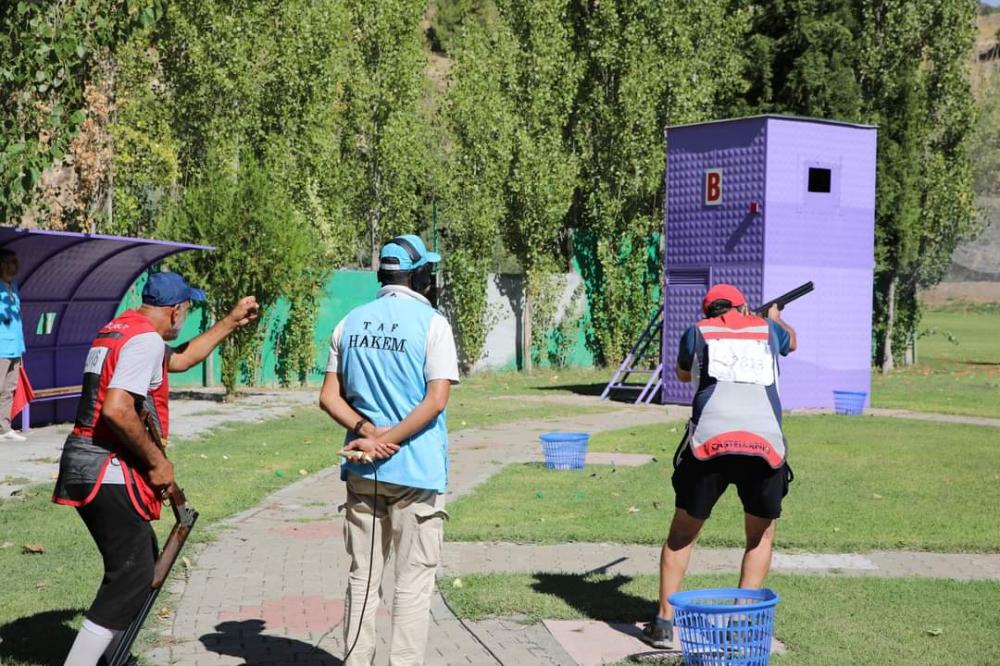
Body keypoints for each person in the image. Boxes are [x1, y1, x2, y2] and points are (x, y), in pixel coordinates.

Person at [53, 271, 259, 666]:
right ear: (175, 310)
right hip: (104, 467)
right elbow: (116, 409)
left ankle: (116, 657)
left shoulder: (121, 329)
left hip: (84, 460)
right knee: (131, 574)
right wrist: (157, 461)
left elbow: (180, 359)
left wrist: (230, 321)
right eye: (186, 310)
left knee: (140, 555)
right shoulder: (145, 340)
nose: (185, 318)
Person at [319, 234, 459, 666]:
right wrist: (390, 439)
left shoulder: (350, 322)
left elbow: (328, 397)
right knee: (413, 584)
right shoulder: (433, 324)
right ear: (418, 275)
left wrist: (367, 431)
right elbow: (436, 399)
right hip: (415, 474)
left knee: (362, 579)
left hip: (363, 470)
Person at [642, 283, 796, 649]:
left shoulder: (698, 331)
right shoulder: (768, 329)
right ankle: (740, 625)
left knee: (682, 534)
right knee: (759, 535)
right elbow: (792, 341)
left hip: (709, 444)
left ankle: (664, 623)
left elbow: (682, 376)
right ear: (744, 308)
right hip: (764, 447)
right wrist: (775, 318)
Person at [0, 249, 26, 441]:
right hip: (1, 347)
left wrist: (21, 349)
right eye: (11, 262)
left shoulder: (14, 286)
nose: (14, 265)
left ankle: (4, 427)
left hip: (15, 346)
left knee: (9, 388)